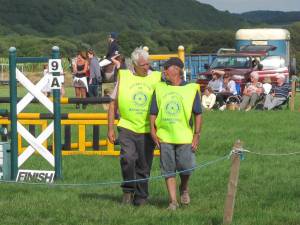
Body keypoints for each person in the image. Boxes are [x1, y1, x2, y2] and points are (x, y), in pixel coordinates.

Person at [107, 47, 162, 206]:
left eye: (148, 64)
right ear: (135, 65)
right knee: (128, 158)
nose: (147, 67)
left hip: (148, 128)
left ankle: (141, 196)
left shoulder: (157, 78)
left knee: (144, 164)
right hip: (127, 126)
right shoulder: (124, 76)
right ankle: (128, 190)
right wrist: (110, 128)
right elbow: (113, 103)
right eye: (144, 65)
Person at [150, 57, 202, 210]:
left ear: (176, 70)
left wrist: (196, 135)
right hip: (164, 136)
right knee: (168, 169)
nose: (164, 71)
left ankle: (184, 187)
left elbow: (198, 114)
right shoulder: (159, 88)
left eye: (166, 68)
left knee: (187, 166)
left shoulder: (192, 88)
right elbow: (153, 112)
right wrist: (153, 131)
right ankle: (173, 201)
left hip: (185, 136)